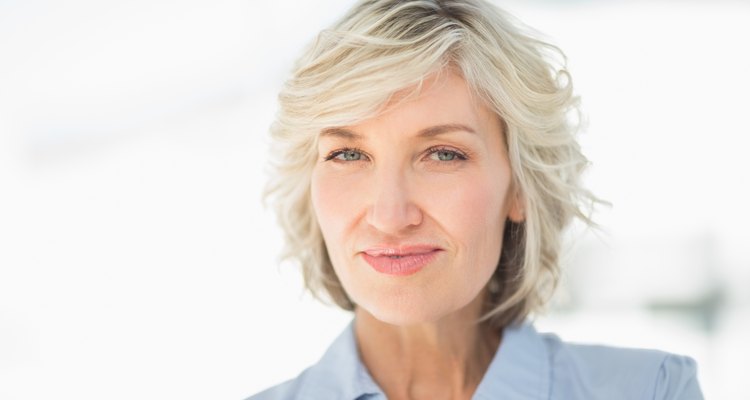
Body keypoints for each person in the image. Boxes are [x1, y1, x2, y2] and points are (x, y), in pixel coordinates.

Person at [250, 0, 704, 398]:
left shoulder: (652, 390)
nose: (390, 216)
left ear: (521, 186)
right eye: (348, 154)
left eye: (442, 154)